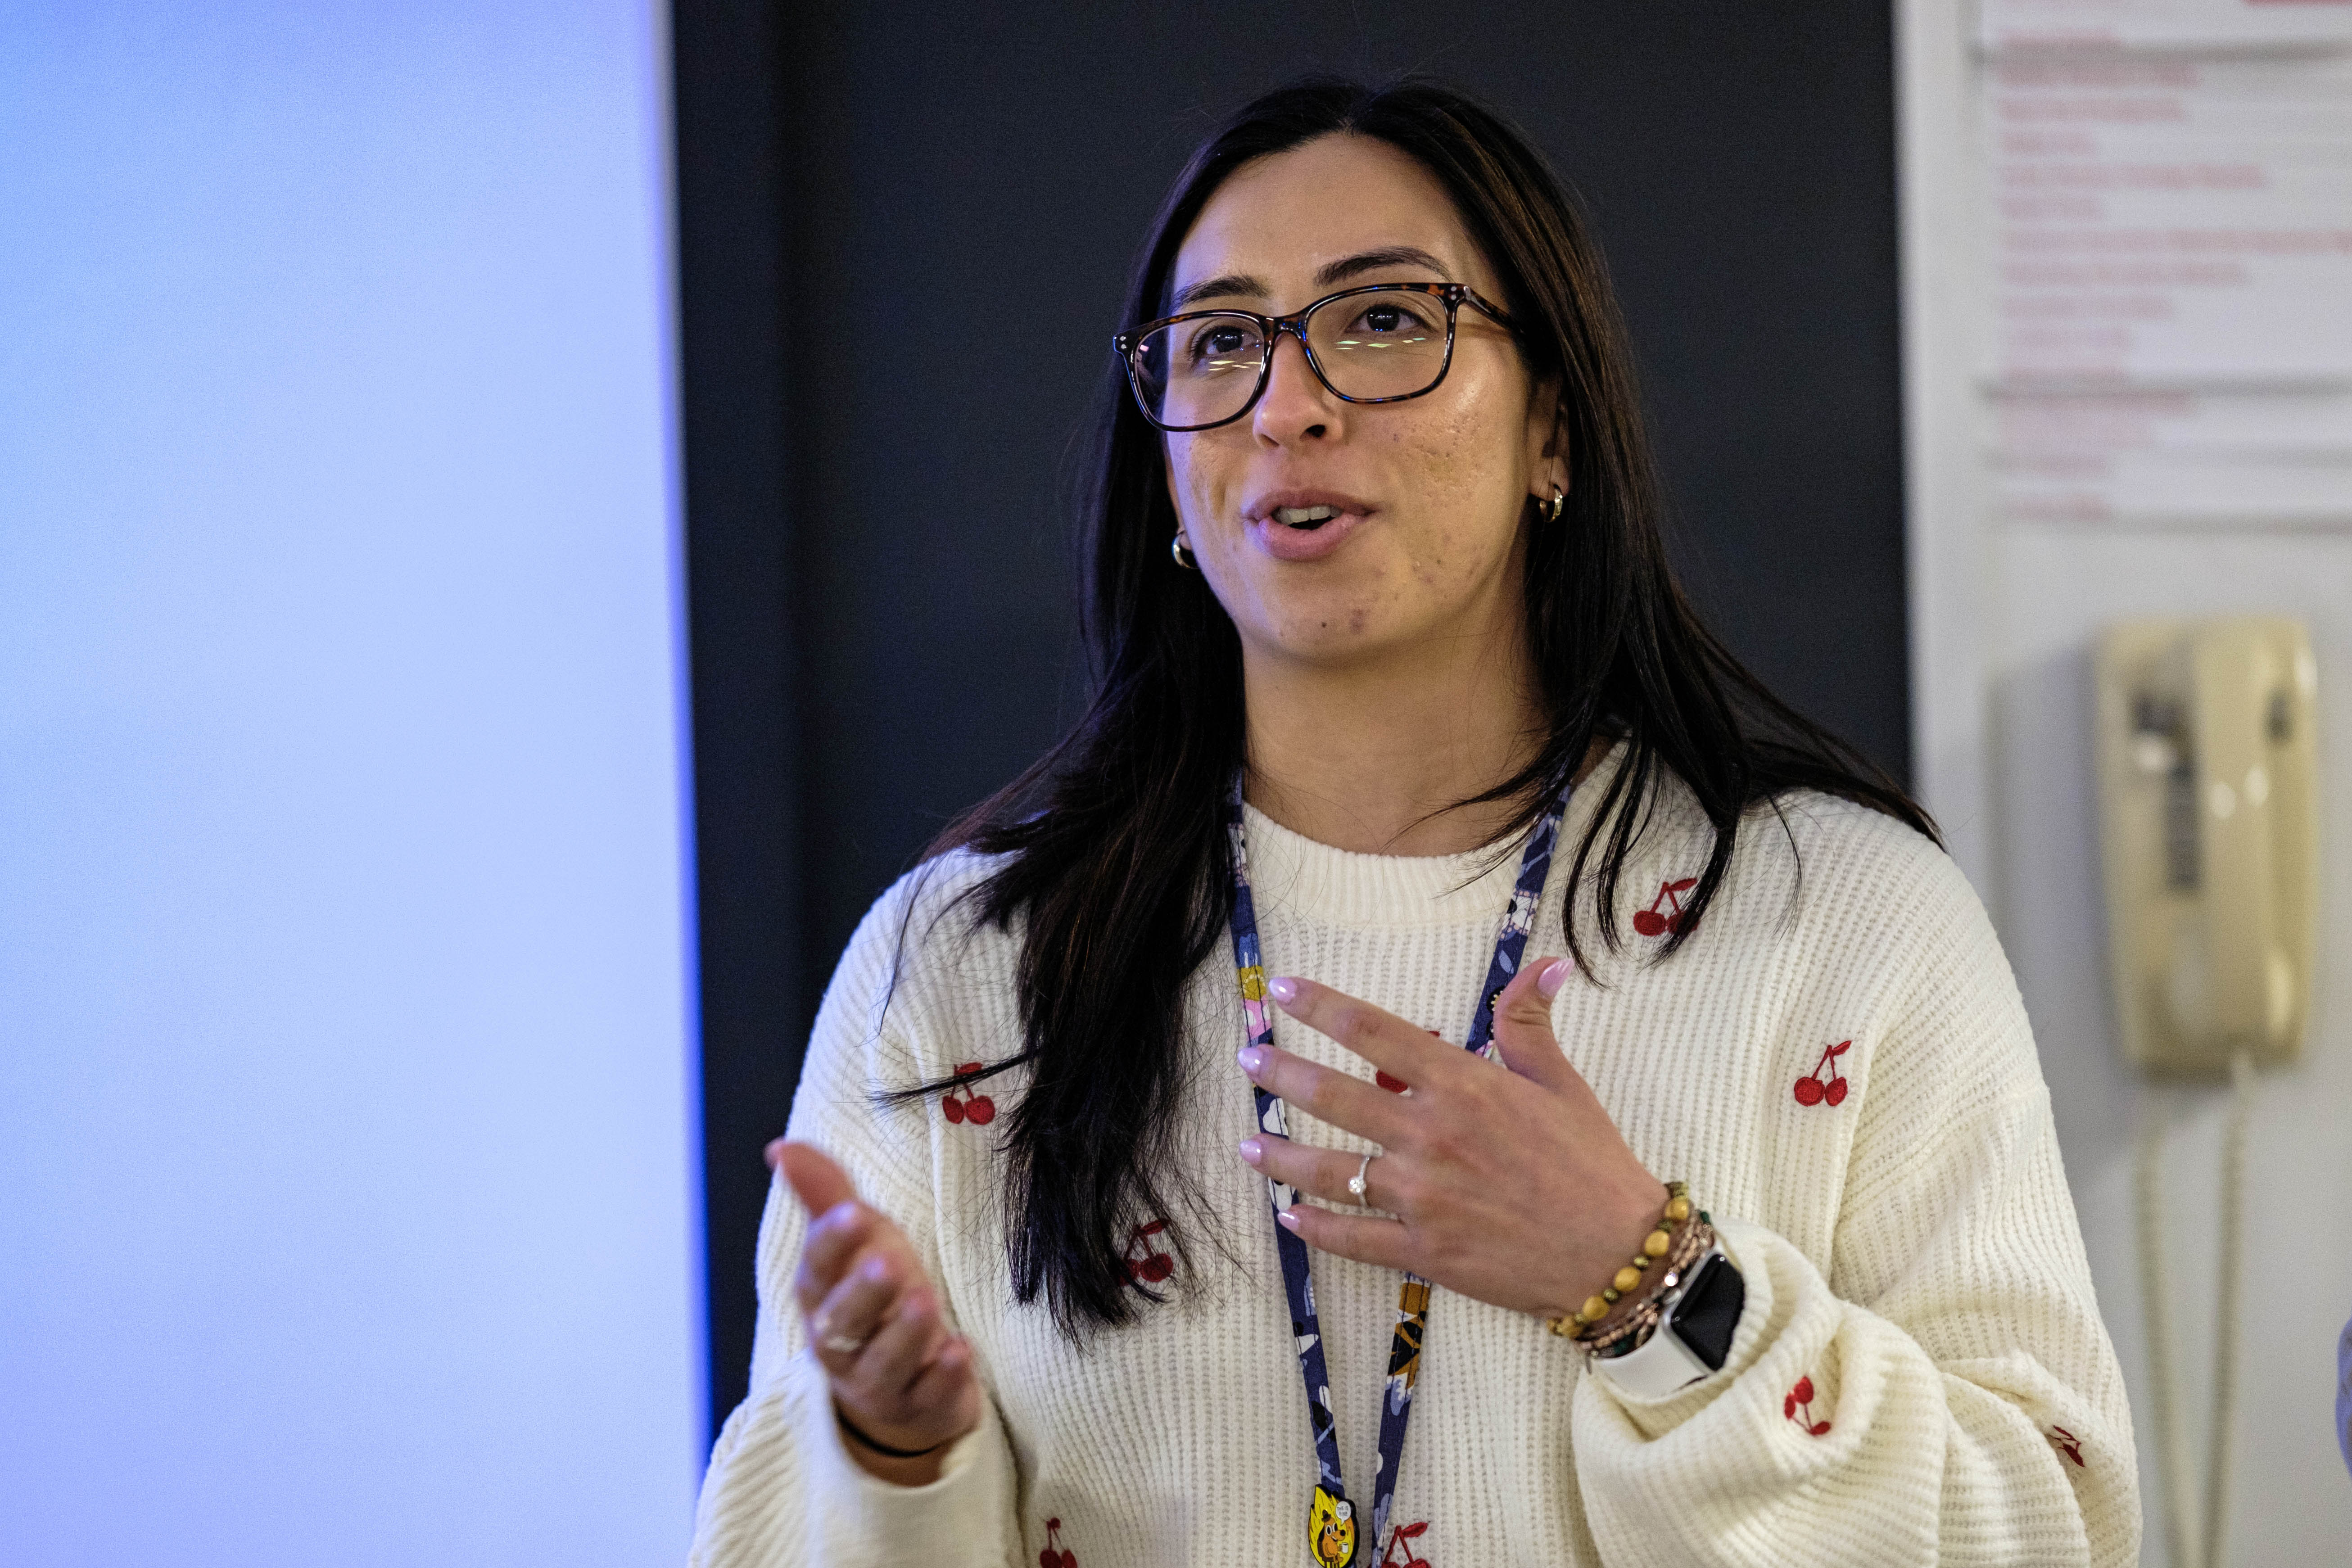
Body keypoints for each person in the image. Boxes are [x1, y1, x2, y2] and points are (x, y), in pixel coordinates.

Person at [688, 77, 2137, 1568]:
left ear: (1551, 432)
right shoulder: (960, 964)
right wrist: (896, 1456)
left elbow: (2055, 1522)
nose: (1290, 403)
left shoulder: (1843, 918)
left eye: (1385, 320)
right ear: (1172, 486)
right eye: (1222, 341)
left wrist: (1650, 1280)